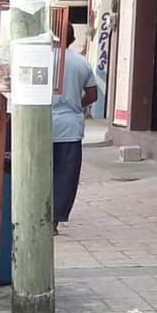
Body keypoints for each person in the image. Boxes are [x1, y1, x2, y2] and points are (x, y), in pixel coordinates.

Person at [52, 24, 99, 235]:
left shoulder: (39, 60)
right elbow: (92, 95)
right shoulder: (81, 62)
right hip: (70, 126)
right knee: (65, 175)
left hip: (39, 126)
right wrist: (76, 104)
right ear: (72, 38)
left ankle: (35, 214)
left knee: (41, 173)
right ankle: (54, 219)